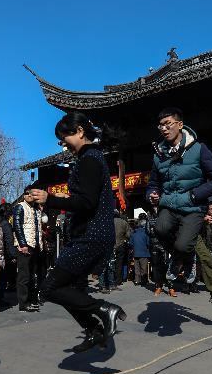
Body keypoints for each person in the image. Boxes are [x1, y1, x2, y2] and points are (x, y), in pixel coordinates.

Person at [29, 113, 126, 352]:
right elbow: (85, 200)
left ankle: (104, 309)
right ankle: (94, 330)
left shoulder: (90, 159)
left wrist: (51, 199)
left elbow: (87, 203)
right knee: (70, 289)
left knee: (50, 288)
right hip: (90, 234)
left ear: (80, 131)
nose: (63, 143)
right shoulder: (90, 158)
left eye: (65, 137)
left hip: (90, 236)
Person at [146, 107, 212, 280]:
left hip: (193, 206)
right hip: (168, 204)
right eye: (161, 126)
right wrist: (152, 193)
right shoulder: (158, 154)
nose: (164, 129)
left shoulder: (199, 149)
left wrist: (195, 195)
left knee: (183, 245)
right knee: (159, 229)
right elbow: (153, 183)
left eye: (168, 124)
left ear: (180, 124)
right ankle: (181, 258)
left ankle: (184, 257)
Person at [13, 186, 43, 312]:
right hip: (25, 246)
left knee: (32, 275)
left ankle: (31, 299)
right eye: (27, 193)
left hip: (35, 245)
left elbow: (39, 229)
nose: (29, 196)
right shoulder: (20, 207)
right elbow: (17, 226)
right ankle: (23, 303)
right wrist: (23, 244)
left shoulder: (36, 209)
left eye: (32, 194)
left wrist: (41, 244)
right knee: (24, 275)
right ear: (24, 195)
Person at [145, 204, 174, 296]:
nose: (155, 209)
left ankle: (171, 287)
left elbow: (168, 230)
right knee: (156, 266)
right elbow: (148, 231)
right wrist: (157, 230)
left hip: (165, 244)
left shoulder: (165, 216)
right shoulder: (149, 217)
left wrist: (156, 229)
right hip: (154, 244)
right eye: (154, 208)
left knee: (167, 265)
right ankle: (159, 286)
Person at [0, 202, 18, 309]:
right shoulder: (5, 224)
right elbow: (9, 241)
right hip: (4, 254)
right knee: (2, 278)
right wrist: (13, 255)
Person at [131, 214, 151, 286]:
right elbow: (148, 243)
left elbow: (131, 243)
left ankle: (137, 281)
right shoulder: (146, 233)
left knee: (136, 268)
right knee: (143, 268)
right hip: (144, 252)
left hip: (136, 252)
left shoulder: (134, 233)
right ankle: (144, 280)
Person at [112, 211, 132, 287]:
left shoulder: (109, 222)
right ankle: (118, 281)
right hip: (120, 245)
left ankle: (110, 279)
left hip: (111, 245)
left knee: (110, 263)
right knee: (119, 263)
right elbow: (129, 235)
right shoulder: (124, 222)